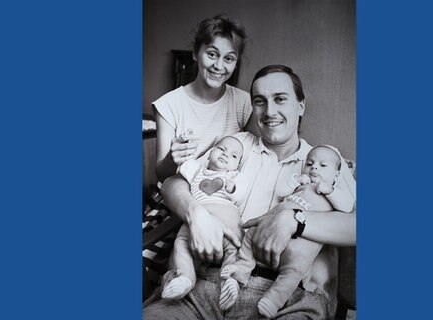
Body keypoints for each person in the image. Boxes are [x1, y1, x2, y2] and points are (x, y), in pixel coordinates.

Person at [143, 65, 356, 319]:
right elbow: (172, 183)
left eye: (280, 99)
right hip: (206, 281)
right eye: (259, 101)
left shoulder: (323, 161)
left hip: (284, 297)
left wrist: (294, 221)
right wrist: (195, 213)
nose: (269, 111)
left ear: (301, 105)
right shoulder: (237, 145)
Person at [219, 145, 355, 318]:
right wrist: (296, 180)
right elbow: (282, 192)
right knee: (251, 233)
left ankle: (273, 300)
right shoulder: (301, 184)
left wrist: (331, 191)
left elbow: (347, 206)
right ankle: (239, 271)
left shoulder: (335, 192)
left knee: (294, 270)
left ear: (336, 175)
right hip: (267, 231)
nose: (314, 167)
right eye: (310, 164)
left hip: (300, 244)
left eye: (323, 166)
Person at [154, 14, 256, 182]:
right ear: (195, 53)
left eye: (228, 58)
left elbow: (254, 161)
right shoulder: (168, 105)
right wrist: (171, 159)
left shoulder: (245, 103)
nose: (218, 66)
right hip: (180, 195)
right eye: (212, 54)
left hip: (225, 196)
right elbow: (162, 174)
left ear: (236, 63)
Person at [161, 136, 250, 302]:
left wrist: (232, 187)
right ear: (210, 153)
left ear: (237, 165)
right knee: (180, 244)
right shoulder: (196, 169)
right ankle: (185, 278)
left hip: (227, 221)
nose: (225, 155)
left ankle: (230, 280)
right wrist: (182, 148)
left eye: (233, 156)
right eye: (221, 149)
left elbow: (240, 193)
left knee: (236, 248)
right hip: (196, 222)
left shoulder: (234, 176)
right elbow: (179, 167)